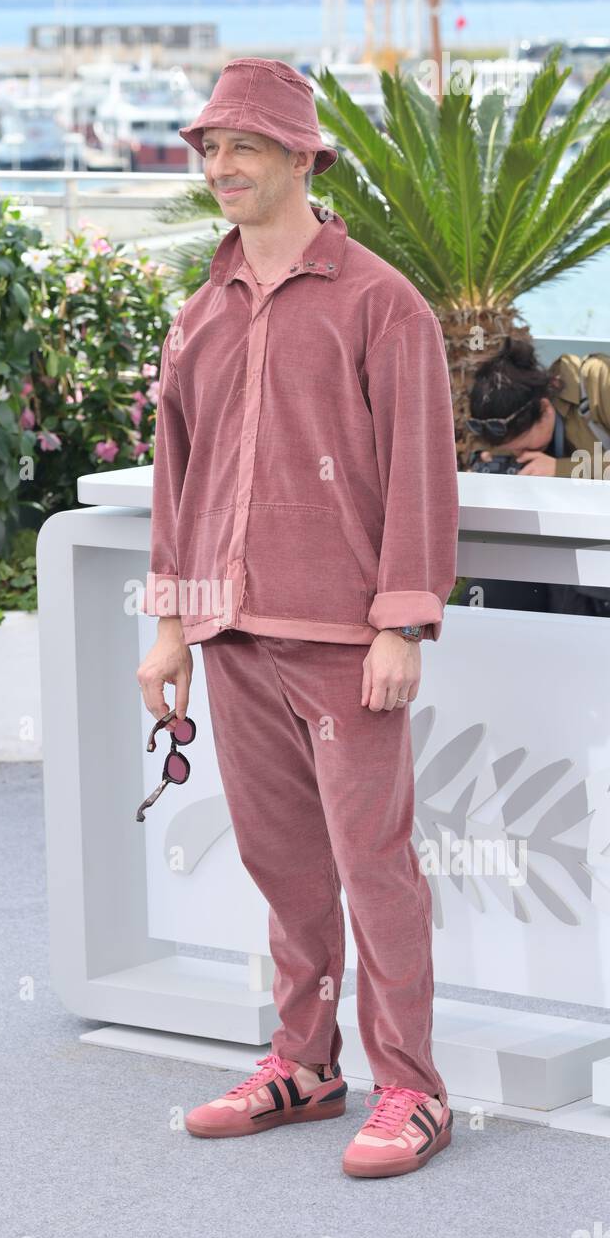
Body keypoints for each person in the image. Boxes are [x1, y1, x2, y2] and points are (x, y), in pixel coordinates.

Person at [136, 57, 460, 1179]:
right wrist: (172, 625)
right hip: (228, 635)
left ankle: (411, 1086)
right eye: (208, 148)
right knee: (282, 863)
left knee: (375, 865)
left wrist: (400, 622)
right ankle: (305, 1065)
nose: (219, 165)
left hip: (344, 640)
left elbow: (422, 470)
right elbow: (178, 480)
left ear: (301, 159)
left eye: (243, 147)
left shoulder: (383, 303)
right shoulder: (198, 316)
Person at [463, 336, 610, 615]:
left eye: (527, 449)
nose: (521, 458)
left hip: (596, 556)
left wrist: (560, 469)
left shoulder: (598, 382)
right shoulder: (502, 420)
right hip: (549, 547)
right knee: (487, 596)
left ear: (544, 410)